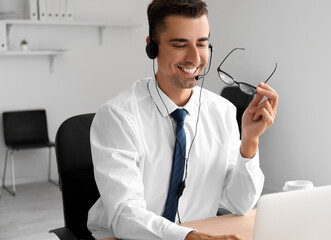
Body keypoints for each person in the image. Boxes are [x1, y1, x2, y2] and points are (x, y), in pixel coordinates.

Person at [87, 0, 278, 240]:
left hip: (200, 233)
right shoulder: (118, 116)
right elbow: (125, 216)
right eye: (180, 44)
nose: (195, 57)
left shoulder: (222, 111)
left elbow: (241, 204)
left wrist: (249, 141)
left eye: (202, 43)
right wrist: (189, 237)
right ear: (152, 47)